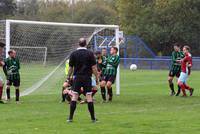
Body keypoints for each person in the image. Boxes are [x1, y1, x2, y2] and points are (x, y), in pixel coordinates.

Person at [66, 38, 99, 123]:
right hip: (87, 77)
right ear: (86, 44)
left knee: (74, 97)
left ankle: (70, 118)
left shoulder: (73, 53)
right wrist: (97, 78)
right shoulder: (90, 53)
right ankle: (93, 119)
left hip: (77, 77)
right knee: (89, 97)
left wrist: (68, 77)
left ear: (78, 44)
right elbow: (94, 68)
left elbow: (70, 68)